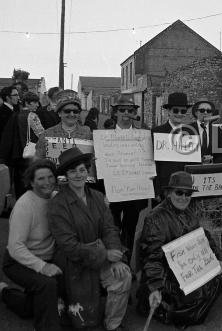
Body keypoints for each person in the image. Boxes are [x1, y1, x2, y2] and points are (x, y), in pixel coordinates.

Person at [48, 147, 131, 330]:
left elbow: (110, 228)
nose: (78, 175)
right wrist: (105, 254)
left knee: (123, 274)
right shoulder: (57, 204)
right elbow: (69, 246)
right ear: (65, 175)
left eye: (82, 170)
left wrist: (115, 256)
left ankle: (113, 323)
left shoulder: (98, 196)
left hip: (102, 253)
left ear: (88, 171)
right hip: (72, 261)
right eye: (72, 171)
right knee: (81, 317)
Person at [137, 171, 222, 328]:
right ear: (169, 193)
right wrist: (155, 286)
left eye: (188, 193)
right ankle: (166, 308)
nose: (184, 197)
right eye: (179, 192)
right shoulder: (155, 218)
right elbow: (151, 257)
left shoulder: (190, 212)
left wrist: (219, 259)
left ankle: (179, 311)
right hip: (166, 271)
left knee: (218, 277)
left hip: (186, 267)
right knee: (192, 293)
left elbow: (204, 238)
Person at [0, 159, 62, 331]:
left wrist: (102, 201)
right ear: (32, 182)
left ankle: (6, 293)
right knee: (47, 285)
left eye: (50, 177)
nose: (47, 182)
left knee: (29, 308)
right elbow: (15, 247)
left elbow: (81, 200)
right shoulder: (25, 205)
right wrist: (43, 267)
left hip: (47, 256)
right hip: (17, 261)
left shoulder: (56, 197)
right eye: (41, 179)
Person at [104, 94, 149, 251]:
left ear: (134, 114)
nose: (126, 113)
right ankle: (115, 263)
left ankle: (128, 263)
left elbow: (148, 163)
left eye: (130, 110)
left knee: (130, 230)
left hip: (134, 191)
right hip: (112, 191)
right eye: (122, 110)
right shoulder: (104, 135)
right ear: (115, 112)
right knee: (112, 229)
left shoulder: (143, 136)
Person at [0, 92, 45, 198]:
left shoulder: (15, 115)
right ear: (27, 103)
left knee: (19, 182)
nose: (37, 105)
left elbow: (8, 135)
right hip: (30, 154)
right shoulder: (32, 116)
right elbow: (41, 134)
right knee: (30, 181)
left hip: (17, 154)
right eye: (34, 102)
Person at [151, 92, 193, 199]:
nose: (179, 113)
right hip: (164, 188)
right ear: (169, 111)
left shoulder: (191, 133)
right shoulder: (156, 132)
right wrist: (156, 190)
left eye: (183, 111)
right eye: (175, 110)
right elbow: (152, 164)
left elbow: (193, 162)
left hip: (185, 188)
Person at [34, 90, 92, 160]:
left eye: (75, 111)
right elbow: (38, 160)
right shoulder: (47, 134)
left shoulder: (87, 133)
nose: (72, 114)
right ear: (59, 113)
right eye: (67, 111)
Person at [189, 98, 222, 164]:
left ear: (211, 114)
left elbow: (221, 155)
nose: (205, 113)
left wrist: (212, 162)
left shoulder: (217, 131)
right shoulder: (188, 129)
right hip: (192, 169)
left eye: (208, 111)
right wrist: (199, 161)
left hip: (211, 171)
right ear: (196, 112)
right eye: (202, 110)